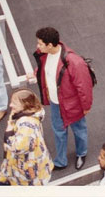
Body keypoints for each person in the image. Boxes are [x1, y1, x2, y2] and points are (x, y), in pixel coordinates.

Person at [32, 27, 94, 170]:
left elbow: (84, 86)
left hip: (72, 104)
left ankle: (81, 153)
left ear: (50, 45)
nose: (38, 46)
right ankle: (61, 160)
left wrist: (86, 107)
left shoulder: (74, 62)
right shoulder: (45, 54)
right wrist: (36, 73)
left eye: (40, 43)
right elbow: (46, 69)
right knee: (58, 130)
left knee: (79, 130)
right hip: (55, 101)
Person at [0, 89, 53, 185]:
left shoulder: (26, 126)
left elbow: (17, 148)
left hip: (25, 176)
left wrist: (9, 131)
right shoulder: (31, 116)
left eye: (14, 103)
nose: (10, 105)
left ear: (25, 105)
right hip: (28, 170)